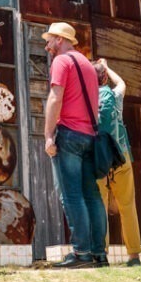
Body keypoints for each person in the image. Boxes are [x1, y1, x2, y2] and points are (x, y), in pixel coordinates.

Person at [42, 22, 107, 269]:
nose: (47, 45)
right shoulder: (88, 66)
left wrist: (49, 135)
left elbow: (55, 97)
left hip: (68, 134)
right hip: (90, 136)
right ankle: (99, 254)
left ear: (60, 39)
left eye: (49, 40)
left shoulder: (61, 61)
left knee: (71, 195)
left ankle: (81, 253)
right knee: (92, 195)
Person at [92, 59, 141, 266]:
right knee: (127, 206)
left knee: (99, 207)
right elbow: (122, 83)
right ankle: (133, 256)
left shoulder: (87, 100)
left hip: (99, 161)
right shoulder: (115, 95)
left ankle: (101, 255)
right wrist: (107, 66)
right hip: (121, 157)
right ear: (104, 78)